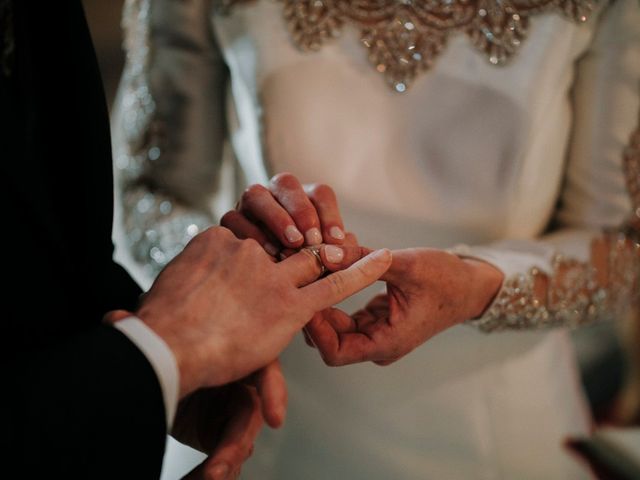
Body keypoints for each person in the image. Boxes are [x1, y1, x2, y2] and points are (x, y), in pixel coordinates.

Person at [112, 0, 640, 478]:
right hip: (264, 408)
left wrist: (479, 286)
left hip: (498, 431)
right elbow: (150, 193)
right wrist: (237, 274)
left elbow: (623, 245)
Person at [0, 1, 393, 478]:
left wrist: (167, 350)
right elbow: (156, 187)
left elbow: (54, 233)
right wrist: (175, 336)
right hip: (280, 386)